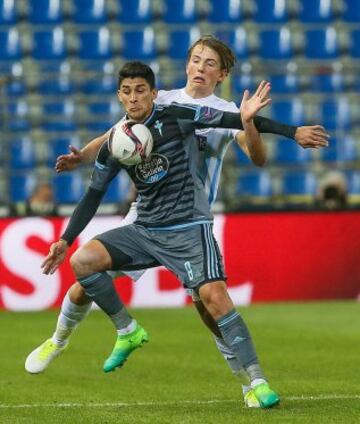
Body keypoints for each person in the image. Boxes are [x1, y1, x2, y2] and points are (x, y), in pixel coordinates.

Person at [25, 37, 328, 409]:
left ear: (222, 73)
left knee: (208, 305)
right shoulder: (160, 99)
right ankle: (60, 339)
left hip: (189, 219)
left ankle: (249, 381)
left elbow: (257, 157)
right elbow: (115, 136)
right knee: (82, 282)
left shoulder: (223, 110)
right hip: (145, 216)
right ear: (186, 65)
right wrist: (85, 156)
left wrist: (266, 126)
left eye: (210, 63)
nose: (201, 67)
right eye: (196, 60)